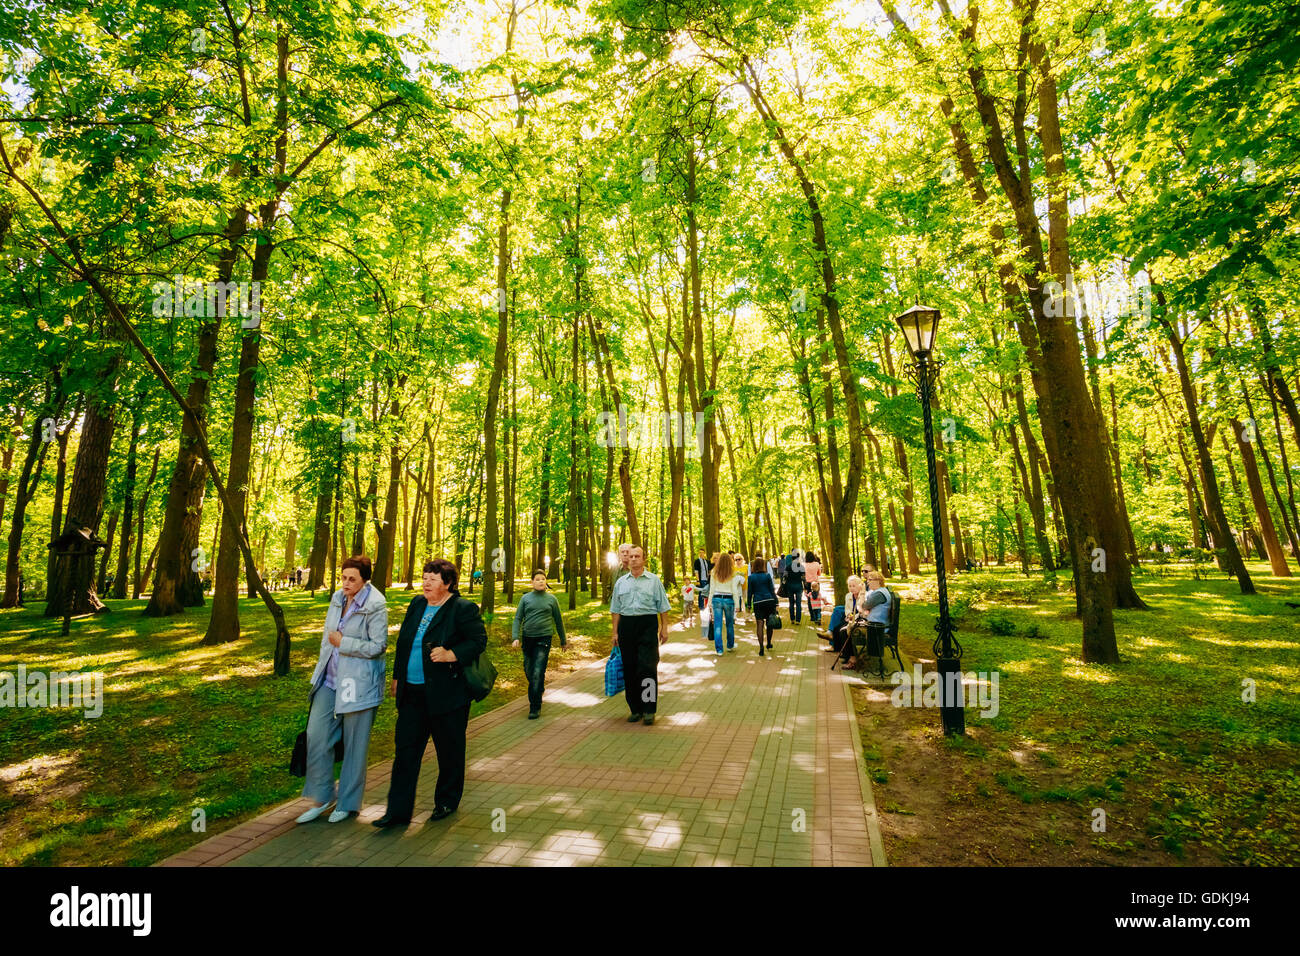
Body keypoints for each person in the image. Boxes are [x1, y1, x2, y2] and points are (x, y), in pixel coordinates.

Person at [375, 558, 487, 828]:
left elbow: (478, 640)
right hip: (412, 692)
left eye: (433, 578)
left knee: (449, 751)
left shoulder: (461, 609)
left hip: (447, 695)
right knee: (405, 751)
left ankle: (447, 801)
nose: (426, 582)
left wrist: (451, 654)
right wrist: (398, 677)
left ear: (447, 583)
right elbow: (405, 643)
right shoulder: (417, 604)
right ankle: (397, 812)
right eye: (425, 576)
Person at [298, 555, 388, 825]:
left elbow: (378, 646)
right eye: (343, 577)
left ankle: (348, 804)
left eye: (352, 579)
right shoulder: (338, 597)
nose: (346, 583)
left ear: (364, 580)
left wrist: (344, 643)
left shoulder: (375, 604)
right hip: (329, 680)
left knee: (354, 745)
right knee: (316, 736)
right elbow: (327, 640)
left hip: (358, 684)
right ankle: (323, 796)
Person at [609, 545, 670, 725]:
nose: (634, 559)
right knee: (630, 668)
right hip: (627, 626)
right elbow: (615, 610)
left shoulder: (653, 581)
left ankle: (649, 709)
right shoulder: (621, 582)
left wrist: (664, 627)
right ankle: (635, 709)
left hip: (647, 625)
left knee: (648, 667)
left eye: (637, 556)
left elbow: (663, 606)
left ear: (644, 559)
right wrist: (615, 633)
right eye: (631, 556)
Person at [511, 569, 566, 719]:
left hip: (544, 638)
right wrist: (515, 637)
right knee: (529, 670)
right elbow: (518, 618)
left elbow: (558, 621)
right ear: (532, 582)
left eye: (543, 579)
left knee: (537, 672)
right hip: (528, 638)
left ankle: (535, 707)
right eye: (537, 579)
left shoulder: (552, 599)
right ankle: (539, 687)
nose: (541, 581)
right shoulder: (526, 599)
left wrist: (563, 640)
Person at [708, 551, 745, 655]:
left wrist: (709, 603)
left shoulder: (714, 571)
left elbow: (712, 589)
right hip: (729, 600)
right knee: (729, 624)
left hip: (716, 599)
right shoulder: (733, 572)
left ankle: (719, 649)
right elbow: (734, 589)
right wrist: (737, 604)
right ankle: (730, 645)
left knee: (718, 625)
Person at [830, 574, 869, 665]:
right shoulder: (848, 596)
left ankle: (850, 655)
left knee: (843, 631)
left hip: (860, 619)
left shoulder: (864, 596)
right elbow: (847, 609)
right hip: (850, 618)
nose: (851, 588)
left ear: (860, 586)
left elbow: (862, 611)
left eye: (854, 586)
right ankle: (843, 652)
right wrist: (848, 615)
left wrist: (854, 617)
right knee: (836, 629)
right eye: (849, 586)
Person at [747, 557, 778, 656]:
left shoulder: (751, 577)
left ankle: (761, 648)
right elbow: (772, 590)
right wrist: (776, 602)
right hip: (769, 601)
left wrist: (748, 605)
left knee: (759, 624)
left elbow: (749, 593)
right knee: (769, 622)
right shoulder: (767, 576)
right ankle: (769, 643)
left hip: (758, 602)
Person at [784, 547, 805, 623]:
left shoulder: (788, 566)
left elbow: (785, 577)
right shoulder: (801, 566)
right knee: (798, 604)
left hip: (790, 586)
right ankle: (798, 620)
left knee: (791, 603)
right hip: (799, 586)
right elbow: (803, 577)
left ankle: (792, 619)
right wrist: (805, 587)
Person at [803, 551, 823, 624]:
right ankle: (818, 615)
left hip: (807, 584)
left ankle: (812, 616)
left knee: (809, 599)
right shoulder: (817, 564)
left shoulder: (804, 565)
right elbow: (819, 573)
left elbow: (803, 575)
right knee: (817, 599)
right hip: (816, 583)